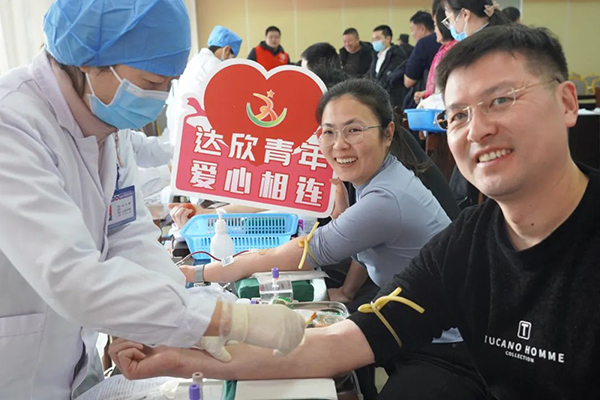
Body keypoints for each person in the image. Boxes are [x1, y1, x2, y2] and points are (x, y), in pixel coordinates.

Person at [111, 24, 598, 399]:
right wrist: (177, 356)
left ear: (566, 102)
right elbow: (339, 344)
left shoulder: (394, 199)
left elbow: (316, 250)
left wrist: (199, 277)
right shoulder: (469, 239)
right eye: (458, 115)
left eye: (501, 100)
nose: (477, 129)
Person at [0, 1, 305, 398]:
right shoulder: (13, 124)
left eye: (169, 83)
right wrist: (219, 319)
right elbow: (69, 275)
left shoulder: (106, 124)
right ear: (89, 62)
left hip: (67, 355)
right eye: (151, 81)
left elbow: (128, 235)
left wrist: (179, 316)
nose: (160, 98)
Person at [441, 0, 510, 209]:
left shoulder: (479, 49)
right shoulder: (500, 36)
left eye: (449, 18)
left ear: (465, 14)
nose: (450, 26)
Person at [166, 25, 242, 145]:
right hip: (198, 132)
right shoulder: (215, 65)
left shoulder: (196, 61)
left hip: (181, 130)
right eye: (232, 57)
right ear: (226, 50)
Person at [414, 4, 457, 104]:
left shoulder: (454, 51)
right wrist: (427, 93)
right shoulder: (442, 50)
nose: (435, 31)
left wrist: (432, 99)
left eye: (435, 25)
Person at [367, 25, 408, 109]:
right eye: (373, 39)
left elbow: (392, 79)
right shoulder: (375, 57)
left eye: (377, 38)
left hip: (393, 101)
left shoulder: (397, 56)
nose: (374, 42)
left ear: (388, 39)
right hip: (378, 100)